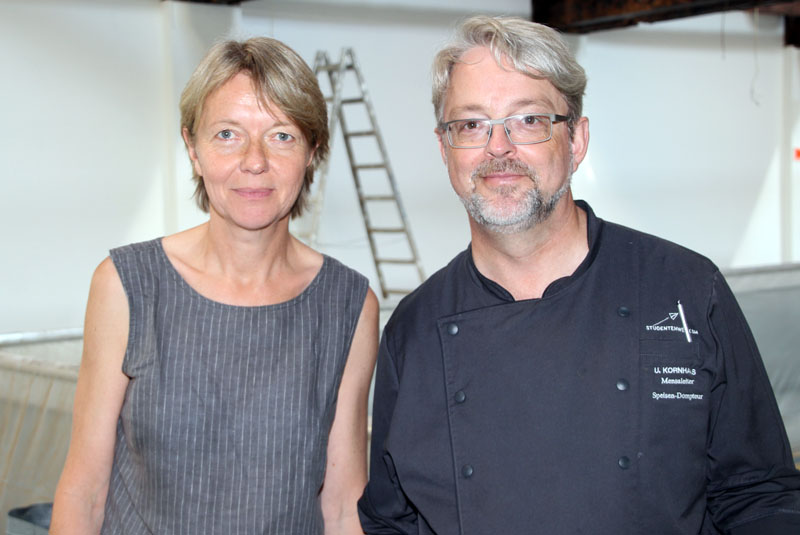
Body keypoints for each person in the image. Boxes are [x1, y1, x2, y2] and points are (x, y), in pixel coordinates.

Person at [358, 15, 800, 534]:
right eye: (471, 124)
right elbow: (392, 521)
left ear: (576, 141)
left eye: (528, 120)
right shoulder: (413, 330)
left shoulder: (685, 289)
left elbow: (759, 497)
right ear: (444, 149)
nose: (497, 147)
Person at [51, 37, 377, 534]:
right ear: (193, 149)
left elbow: (341, 503)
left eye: (282, 135)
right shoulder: (126, 286)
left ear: (313, 151)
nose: (254, 160)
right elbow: (85, 490)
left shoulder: (349, 306)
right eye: (227, 133)